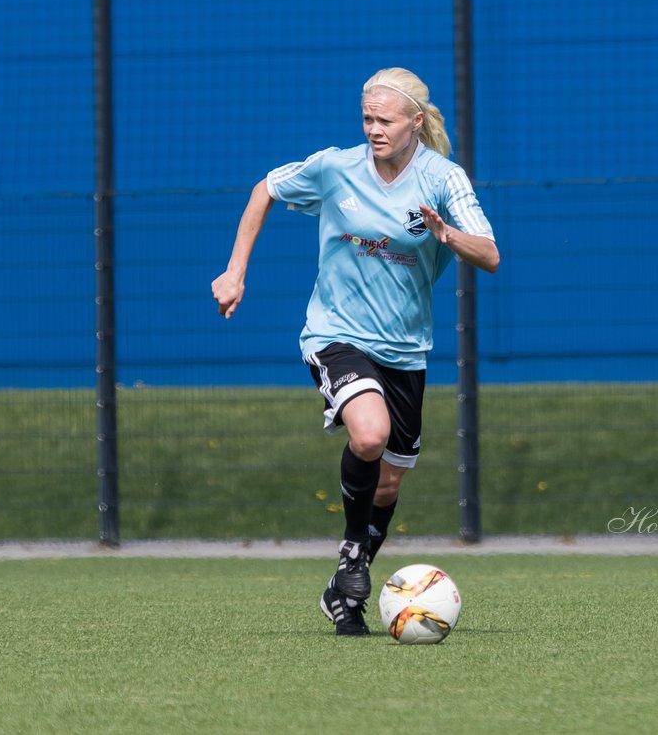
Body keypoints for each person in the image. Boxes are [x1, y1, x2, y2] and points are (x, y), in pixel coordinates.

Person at [211, 67, 499, 636]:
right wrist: (234, 270)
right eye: (367, 118)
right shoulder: (335, 168)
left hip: (406, 350)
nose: (373, 129)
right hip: (336, 334)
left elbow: (489, 254)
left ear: (415, 122)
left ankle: (345, 592)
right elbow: (264, 189)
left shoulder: (443, 179)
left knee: (388, 484)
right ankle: (351, 555)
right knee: (368, 434)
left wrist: (446, 235)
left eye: (384, 120)